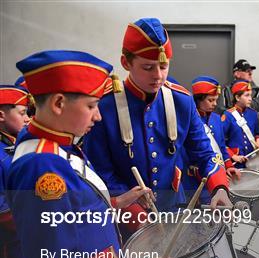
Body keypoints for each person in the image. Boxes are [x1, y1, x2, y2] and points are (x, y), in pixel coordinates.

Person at [8, 49, 172, 258]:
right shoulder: (42, 169)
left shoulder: (57, 143)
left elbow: (72, 214)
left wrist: (117, 202)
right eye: (92, 106)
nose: (98, 116)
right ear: (59, 103)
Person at [84, 18, 231, 215]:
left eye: (164, 67)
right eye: (148, 67)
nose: (158, 76)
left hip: (174, 208)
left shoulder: (182, 101)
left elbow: (204, 152)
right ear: (126, 62)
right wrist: (131, 212)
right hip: (126, 215)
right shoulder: (104, 106)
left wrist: (219, 187)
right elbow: (101, 171)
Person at [0, 85, 33, 258]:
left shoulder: (18, 146)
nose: (27, 118)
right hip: (9, 234)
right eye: (22, 113)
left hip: (26, 229)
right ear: (2, 115)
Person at [183, 76, 241, 202]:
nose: (215, 104)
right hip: (196, 178)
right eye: (210, 100)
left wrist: (228, 165)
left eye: (216, 100)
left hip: (217, 173)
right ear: (198, 100)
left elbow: (221, 146)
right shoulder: (189, 119)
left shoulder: (216, 118)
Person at [221, 80, 259, 166]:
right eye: (247, 95)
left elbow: (257, 133)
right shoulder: (228, 116)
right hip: (236, 162)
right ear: (237, 98)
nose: (250, 99)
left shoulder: (253, 113)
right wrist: (232, 155)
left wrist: (258, 140)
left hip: (252, 159)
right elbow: (220, 141)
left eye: (250, 95)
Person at [217, 59, 259, 126]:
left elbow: (254, 107)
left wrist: (234, 107)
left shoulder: (257, 90)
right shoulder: (225, 90)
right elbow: (222, 111)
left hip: (251, 131)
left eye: (251, 71)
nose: (250, 73)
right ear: (237, 74)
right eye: (247, 71)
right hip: (231, 131)